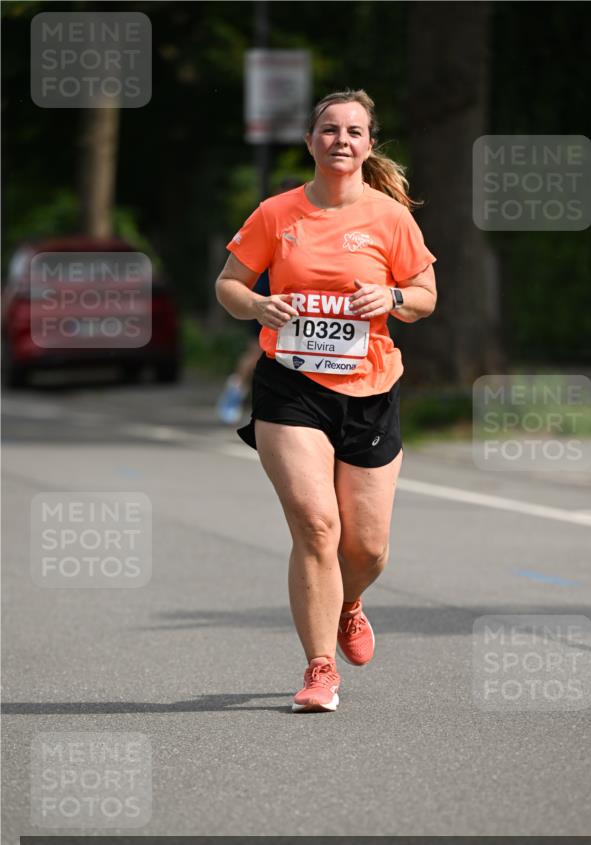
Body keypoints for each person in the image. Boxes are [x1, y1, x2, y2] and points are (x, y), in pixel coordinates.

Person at [215, 88, 437, 713]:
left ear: (368, 146)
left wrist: (392, 298)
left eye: (354, 131)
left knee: (366, 549)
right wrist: (258, 304)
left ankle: (348, 602)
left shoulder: (390, 218)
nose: (341, 140)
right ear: (311, 142)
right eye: (330, 129)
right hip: (291, 385)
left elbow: (425, 295)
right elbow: (229, 284)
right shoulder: (276, 213)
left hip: (370, 389)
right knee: (316, 525)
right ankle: (319, 670)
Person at [217, 179, 303, 425]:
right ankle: (235, 391)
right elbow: (232, 278)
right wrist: (257, 303)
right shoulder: (268, 217)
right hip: (267, 298)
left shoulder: (312, 220)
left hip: (303, 309)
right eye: (282, 195)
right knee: (256, 350)